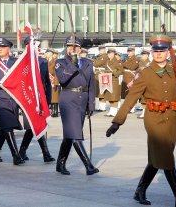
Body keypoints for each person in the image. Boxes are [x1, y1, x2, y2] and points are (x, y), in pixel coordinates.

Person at [106, 34, 176, 207]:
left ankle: (140, 190)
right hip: (154, 120)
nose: (159, 54)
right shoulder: (144, 73)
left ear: (168, 52)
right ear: (152, 52)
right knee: (166, 156)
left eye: (162, 50)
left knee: (158, 158)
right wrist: (117, 122)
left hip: (172, 119)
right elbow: (131, 99)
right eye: (156, 50)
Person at [55, 36, 99, 176]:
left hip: (82, 99)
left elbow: (92, 85)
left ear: (80, 49)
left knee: (70, 134)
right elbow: (62, 79)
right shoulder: (60, 62)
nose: (72, 49)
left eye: (75, 47)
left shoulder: (87, 63)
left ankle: (60, 163)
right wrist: (72, 64)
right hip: (68, 99)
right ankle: (88, 166)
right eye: (69, 46)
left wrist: (91, 104)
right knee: (75, 134)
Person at [0, 37, 24, 165]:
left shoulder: (16, 62)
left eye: (3, 47)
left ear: (9, 48)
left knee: (5, 126)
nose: (0, 49)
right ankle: (16, 155)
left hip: (13, 98)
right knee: (8, 126)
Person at [18, 36, 55, 163]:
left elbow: (47, 84)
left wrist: (48, 102)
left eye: (35, 45)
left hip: (40, 100)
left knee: (36, 126)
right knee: (33, 126)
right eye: (31, 44)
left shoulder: (43, 62)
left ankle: (22, 151)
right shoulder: (21, 62)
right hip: (28, 100)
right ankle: (45, 154)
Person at [103, 48, 124, 117]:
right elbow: (106, 69)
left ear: (113, 54)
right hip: (108, 81)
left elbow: (121, 71)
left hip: (114, 80)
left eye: (110, 53)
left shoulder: (118, 61)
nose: (109, 55)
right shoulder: (107, 61)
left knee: (114, 97)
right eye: (108, 53)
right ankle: (111, 111)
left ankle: (114, 111)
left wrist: (114, 72)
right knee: (109, 97)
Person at [93, 45, 108, 111]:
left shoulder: (104, 56)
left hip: (102, 74)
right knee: (99, 91)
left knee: (102, 91)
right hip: (98, 75)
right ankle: (100, 106)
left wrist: (94, 62)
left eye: (102, 49)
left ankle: (102, 107)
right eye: (100, 49)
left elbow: (97, 64)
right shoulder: (100, 56)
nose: (101, 51)